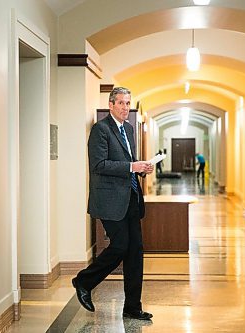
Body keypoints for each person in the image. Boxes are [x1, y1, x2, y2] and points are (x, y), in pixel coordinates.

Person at [72, 87, 154, 321]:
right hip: (110, 200)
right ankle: (84, 281)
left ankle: (132, 307)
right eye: (121, 103)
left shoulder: (128, 129)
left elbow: (129, 163)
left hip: (131, 198)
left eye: (128, 103)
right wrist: (131, 167)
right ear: (111, 104)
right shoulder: (101, 129)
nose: (125, 108)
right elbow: (98, 165)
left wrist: (141, 168)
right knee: (120, 246)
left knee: (135, 252)